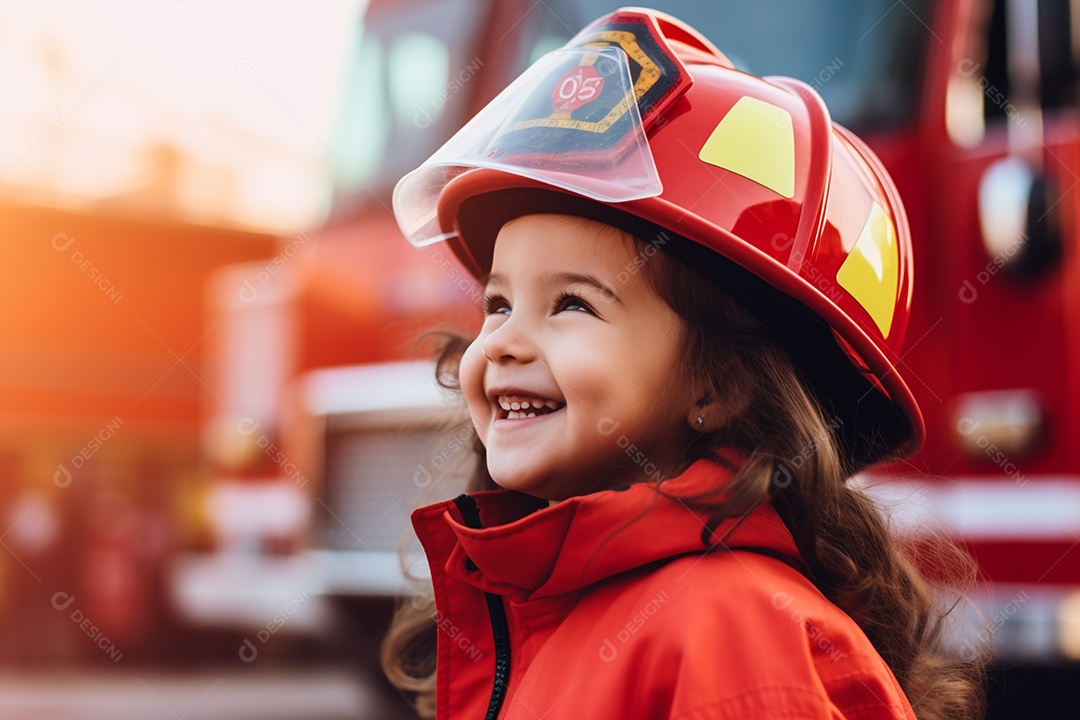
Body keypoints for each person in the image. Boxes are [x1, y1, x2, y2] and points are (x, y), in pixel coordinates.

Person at [383, 8, 984, 719]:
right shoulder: (542, 605)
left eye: (572, 304)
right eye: (498, 304)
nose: (505, 343)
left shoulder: (737, 634)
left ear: (720, 385)